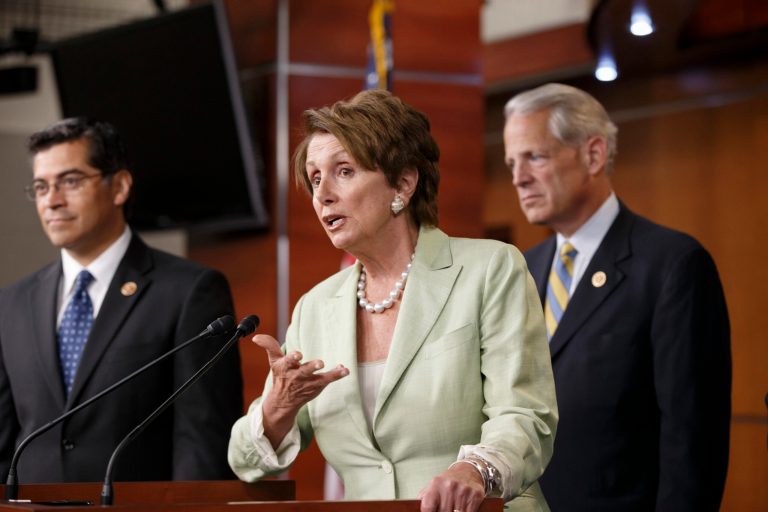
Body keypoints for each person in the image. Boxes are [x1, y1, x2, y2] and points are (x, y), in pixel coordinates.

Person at [228, 89, 557, 512]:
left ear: (403, 182)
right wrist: (277, 409)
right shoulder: (315, 307)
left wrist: (477, 470)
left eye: (343, 171)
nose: (322, 194)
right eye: (314, 177)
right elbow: (244, 463)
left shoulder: (489, 268)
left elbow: (526, 417)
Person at [502, 83, 731, 511]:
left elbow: (693, 441)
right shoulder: (519, 271)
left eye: (534, 156)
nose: (518, 177)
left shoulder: (673, 265)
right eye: (512, 162)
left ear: (593, 154)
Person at [0, 117, 243, 483]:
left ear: (120, 187)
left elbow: (202, 442)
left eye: (70, 181)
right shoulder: (12, 304)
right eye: (40, 186)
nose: (51, 201)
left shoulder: (189, 292)